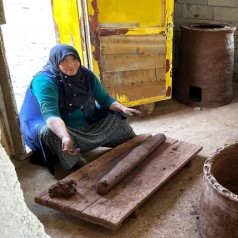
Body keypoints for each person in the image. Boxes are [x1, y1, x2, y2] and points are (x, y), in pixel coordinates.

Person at [19, 44, 144, 179]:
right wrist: (65, 136)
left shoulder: (85, 74)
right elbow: (51, 115)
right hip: (61, 127)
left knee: (114, 114)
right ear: (56, 62)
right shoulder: (44, 81)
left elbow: (104, 99)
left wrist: (123, 108)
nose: (71, 65)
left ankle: (124, 140)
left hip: (85, 120)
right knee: (49, 132)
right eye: (64, 61)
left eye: (74, 59)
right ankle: (74, 159)